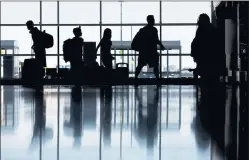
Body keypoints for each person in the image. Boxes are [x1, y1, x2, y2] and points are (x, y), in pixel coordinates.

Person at [191, 13, 226, 82]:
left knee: (205, 82)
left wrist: (195, 55)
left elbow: (195, 44)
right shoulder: (214, 31)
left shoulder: (200, 31)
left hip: (203, 61)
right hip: (213, 62)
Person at [134, 15, 165, 79]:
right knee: (155, 66)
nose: (154, 21)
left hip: (144, 51)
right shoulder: (154, 30)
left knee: (140, 66)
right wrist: (161, 45)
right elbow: (156, 40)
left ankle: (135, 78)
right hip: (152, 51)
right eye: (153, 19)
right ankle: (157, 79)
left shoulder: (143, 30)